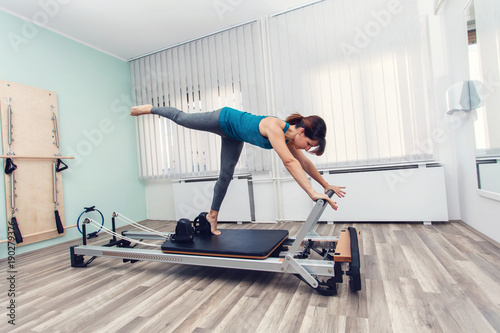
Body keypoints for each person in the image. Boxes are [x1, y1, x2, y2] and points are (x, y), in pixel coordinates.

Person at [130, 105, 346, 235]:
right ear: (301, 132)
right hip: (224, 118)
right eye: (309, 143)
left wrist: (325, 185)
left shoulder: (289, 140)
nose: (307, 149)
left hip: (234, 136)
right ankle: (150, 108)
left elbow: (305, 164)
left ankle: (212, 215)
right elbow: (290, 163)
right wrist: (311, 192)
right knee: (182, 119)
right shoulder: (275, 127)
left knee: (226, 176)